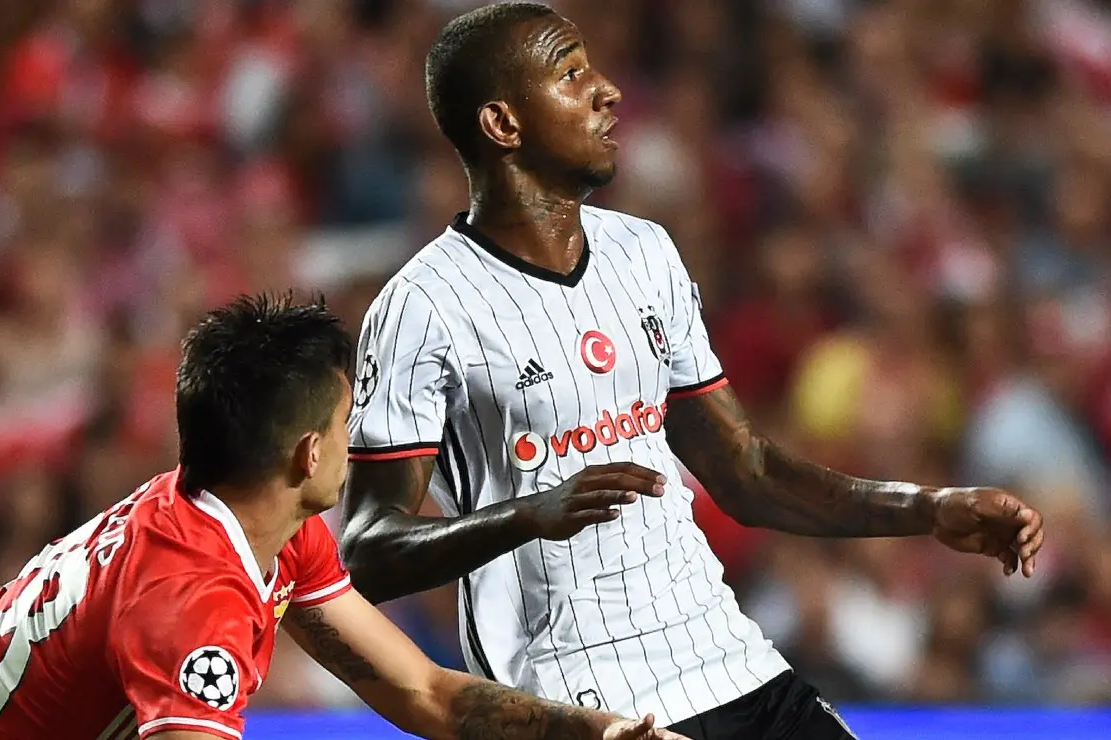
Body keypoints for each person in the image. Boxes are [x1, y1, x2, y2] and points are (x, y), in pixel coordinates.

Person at [339, 4, 1047, 740]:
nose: (607, 90)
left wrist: (930, 509)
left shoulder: (646, 254)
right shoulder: (422, 308)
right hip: (577, 700)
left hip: (726, 657)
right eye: (572, 74)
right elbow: (367, 547)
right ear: (503, 125)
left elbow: (746, 473)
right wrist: (528, 514)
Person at [0, 294, 688, 740]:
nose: (360, 442)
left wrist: (597, 733)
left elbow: (427, 693)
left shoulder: (262, 527)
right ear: (309, 455)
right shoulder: (191, 597)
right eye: (350, 422)